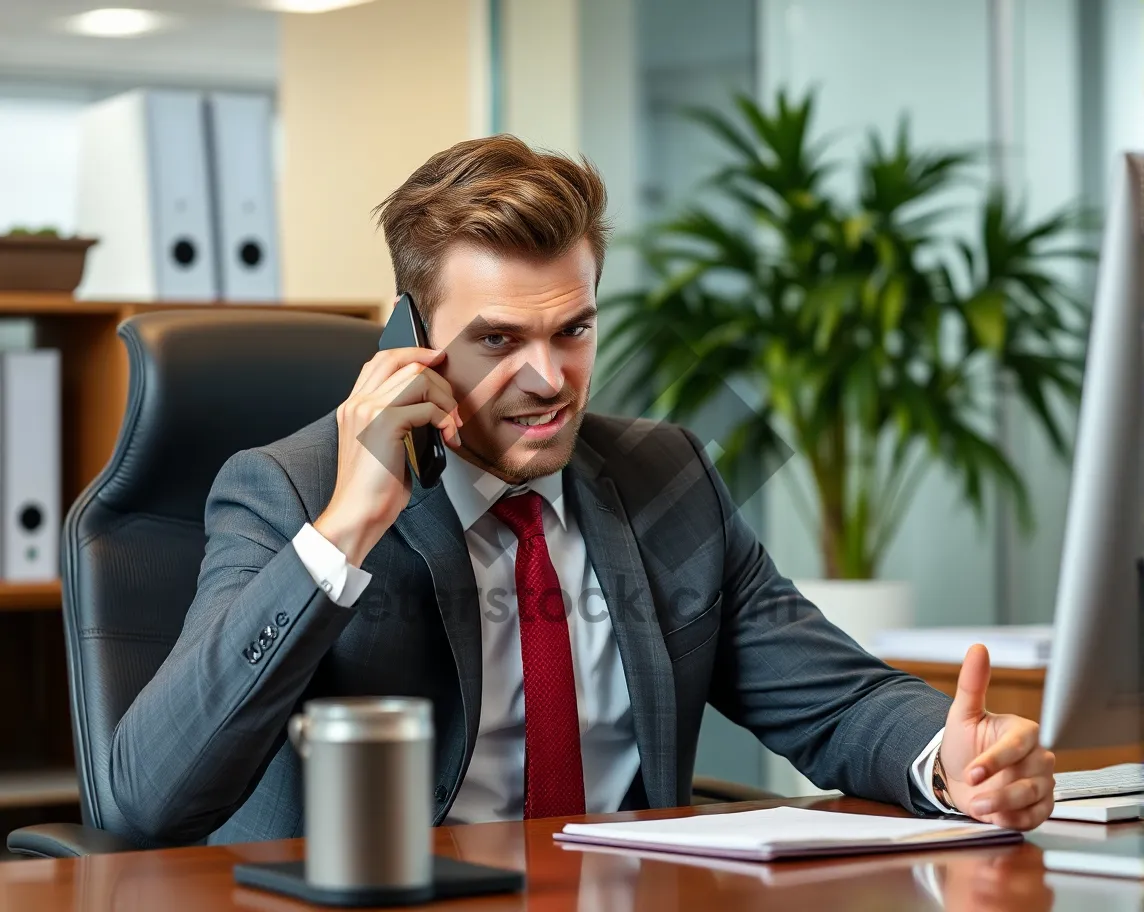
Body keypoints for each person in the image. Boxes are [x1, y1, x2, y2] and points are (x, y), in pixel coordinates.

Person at [109, 135, 1055, 846]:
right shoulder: (288, 493)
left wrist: (951, 758)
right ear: (408, 338)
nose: (549, 379)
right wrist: (352, 524)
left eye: (573, 332)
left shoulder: (664, 478)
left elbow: (835, 702)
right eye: (497, 341)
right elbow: (150, 798)